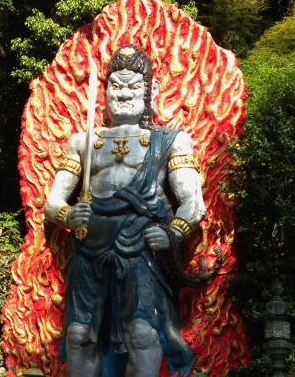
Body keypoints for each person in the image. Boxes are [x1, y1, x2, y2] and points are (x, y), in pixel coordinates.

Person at [45, 45, 206, 377]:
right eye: (116, 86)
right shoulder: (82, 142)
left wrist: (172, 232)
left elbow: (193, 203)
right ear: (104, 92)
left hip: (141, 244)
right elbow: (52, 203)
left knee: (142, 334)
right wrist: (68, 215)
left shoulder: (171, 141)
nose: (123, 94)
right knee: (78, 335)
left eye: (133, 86)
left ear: (151, 91)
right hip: (89, 244)